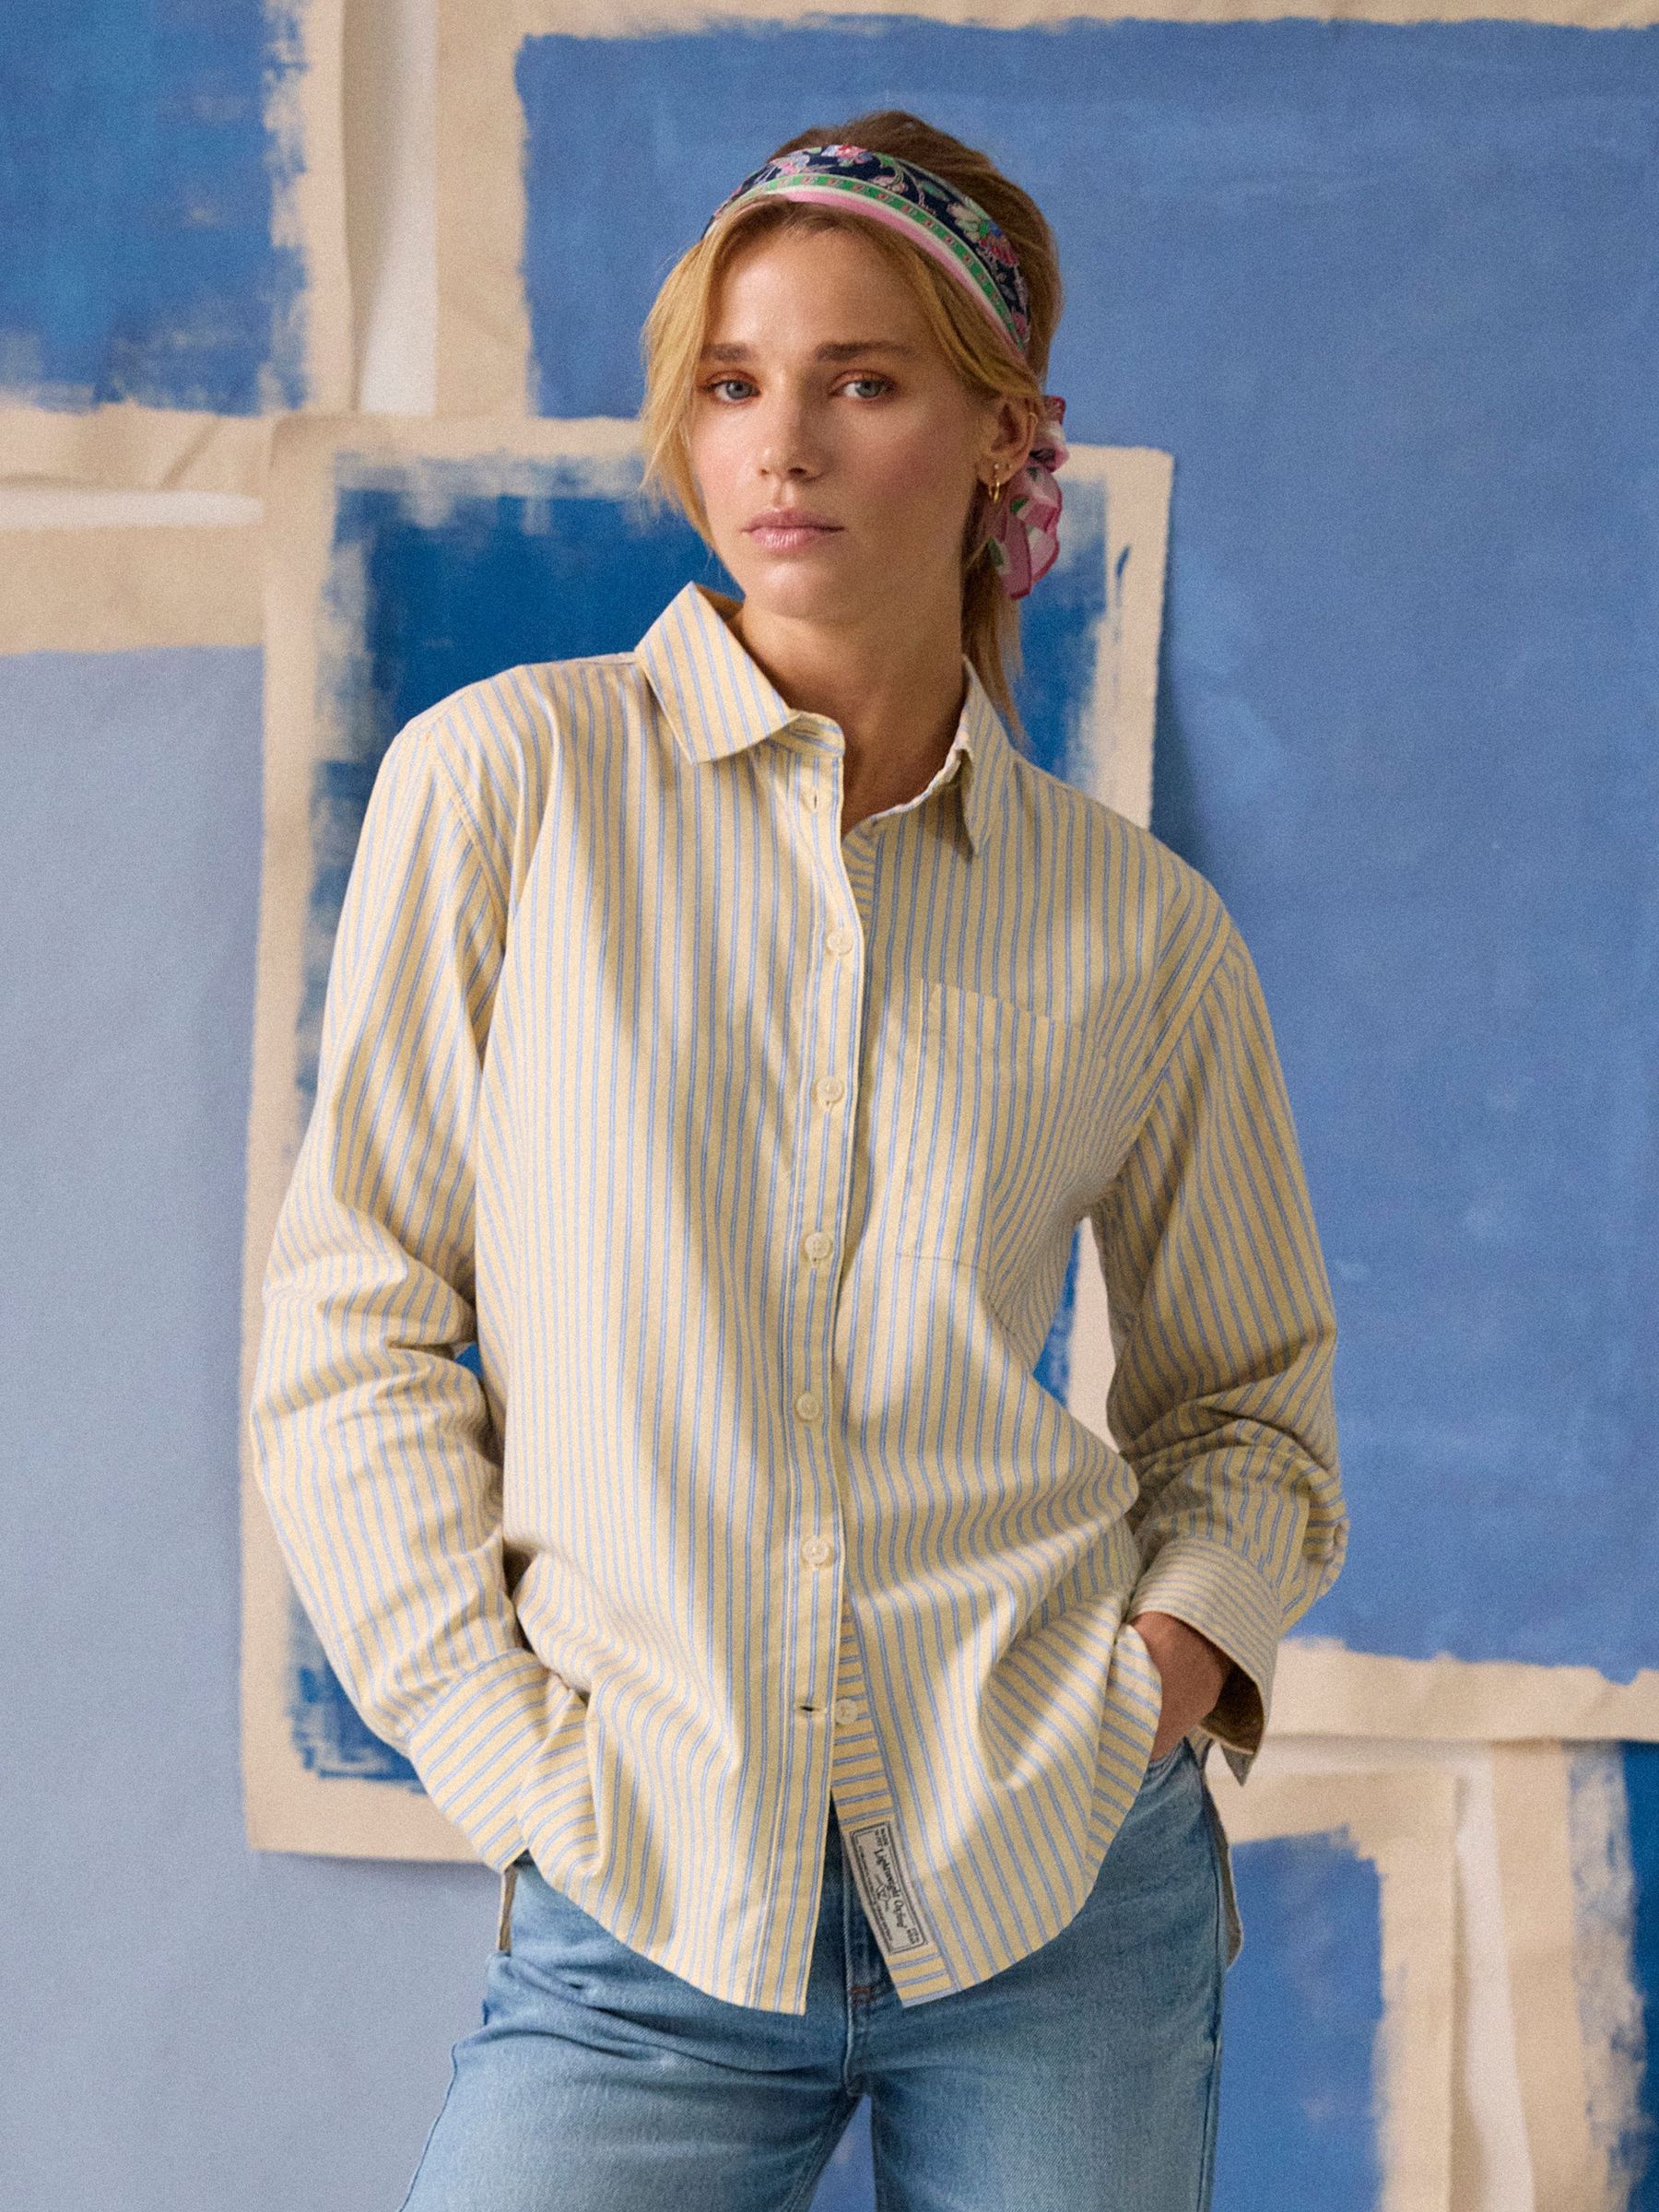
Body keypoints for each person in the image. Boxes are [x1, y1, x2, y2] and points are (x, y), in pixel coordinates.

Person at [248, 109, 1347, 2212]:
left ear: (1005, 434)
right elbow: (350, 1333)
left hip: (1055, 1884)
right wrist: (509, 1762)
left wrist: (1151, 1688)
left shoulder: (1136, 928)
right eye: (735, 384)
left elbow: (1252, 1407)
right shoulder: (505, 790)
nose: (783, 446)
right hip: (644, 1885)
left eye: (863, 382)